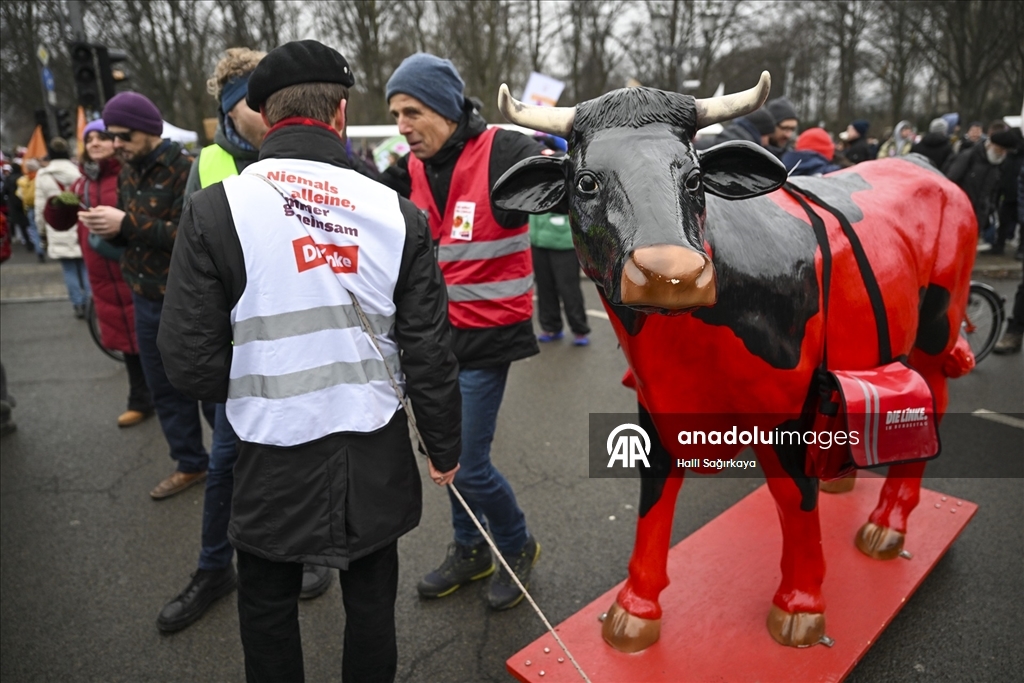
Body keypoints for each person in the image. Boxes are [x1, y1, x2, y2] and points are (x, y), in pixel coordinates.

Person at [157, 40, 462, 681]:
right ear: (341, 113)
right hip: (373, 448)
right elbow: (430, 351)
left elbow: (186, 361)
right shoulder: (395, 212)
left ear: (264, 116)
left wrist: (262, 385)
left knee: (268, 609)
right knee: (372, 608)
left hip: (270, 451)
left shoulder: (216, 208)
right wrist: (444, 446)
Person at [382, 52, 542, 611]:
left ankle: (517, 546)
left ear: (448, 110)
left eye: (411, 111)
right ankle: (470, 548)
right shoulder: (415, 165)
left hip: (487, 339)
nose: (401, 127)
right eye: (396, 114)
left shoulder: (504, 149)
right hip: (434, 344)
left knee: (467, 464)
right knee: (447, 457)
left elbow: (567, 171)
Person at [79, 92, 215, 500]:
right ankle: (190, 463)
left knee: (209, 389)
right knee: (164, 390)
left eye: (122, 136)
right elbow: (130, 234)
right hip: (143, 297)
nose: (115, 144)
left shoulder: (185, 169)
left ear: (148, 131)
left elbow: (192, 237)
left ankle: (233, 464)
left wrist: (127, 222)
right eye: (111, 136)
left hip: (188, 301)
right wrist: (108, 228)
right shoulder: (126, 172)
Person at [43, 120, 154, 427]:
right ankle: (140, 399)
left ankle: (162, 396)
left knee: (152, 340)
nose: (94, 143)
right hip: (101, 275)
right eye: (88, 138)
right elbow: (61, 223)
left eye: (101, 137)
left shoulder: (129, 175)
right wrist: (57, 206)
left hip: (135, 268)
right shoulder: (81, 183)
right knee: (127, 341)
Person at [34, 138, 88, 317]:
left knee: (69, 270)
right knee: (85, 268)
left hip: (57, 227)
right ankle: (90, 304)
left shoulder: (43, 176)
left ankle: (77, 304)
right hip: (79, 224)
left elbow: (41, 207)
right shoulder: (78, 172)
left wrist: (41, 231)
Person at [945, 124, 1010, 239]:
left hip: (979, 215)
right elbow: (951, 181)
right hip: (960, 210)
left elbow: (994, 190)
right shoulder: (969, 156)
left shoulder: (998, 164)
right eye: (1001, 149)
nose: (1003, 153)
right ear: (992, 145)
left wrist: (990, 208)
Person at [698, 106, 775, 149]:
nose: (767, 142)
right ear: (760, 132)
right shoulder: (745, 150)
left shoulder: (732, 139)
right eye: (767, 136)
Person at [17, 159, 46, 261]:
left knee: (34, 229)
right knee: (45, 228)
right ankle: (48, 247)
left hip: (30, 207)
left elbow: (19, 194)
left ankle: (39, 251)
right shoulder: (42, 177)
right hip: (42, 206)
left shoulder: (23, 180)